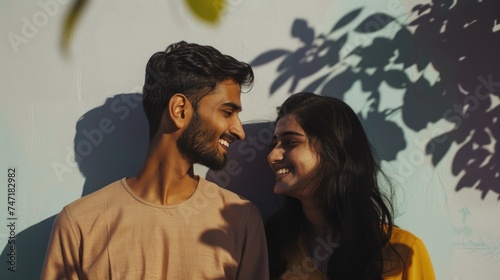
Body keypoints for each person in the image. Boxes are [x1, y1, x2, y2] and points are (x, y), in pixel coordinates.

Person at [41, 41, 269, 279]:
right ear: (180, 110)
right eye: (227, 112)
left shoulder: (241, 219)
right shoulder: (79, 225)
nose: (239, 131)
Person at [265, 92, 435, 279]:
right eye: (274, 144)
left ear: (334, 151)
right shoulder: (272, 247)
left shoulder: (402, 252)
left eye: (290, 142)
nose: (272, 157)